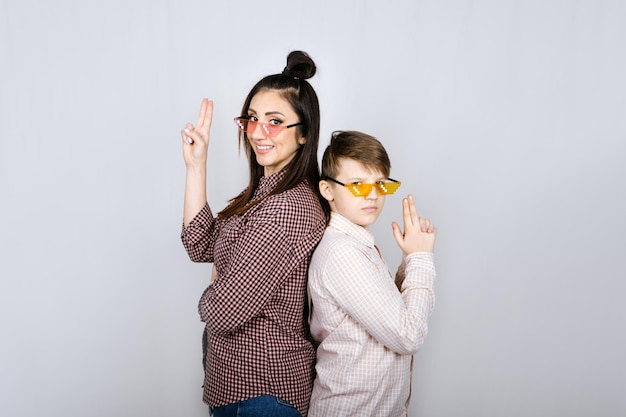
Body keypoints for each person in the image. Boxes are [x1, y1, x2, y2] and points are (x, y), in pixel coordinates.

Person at [180, 51, 328, 417]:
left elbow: (225, 310)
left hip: (262, 394)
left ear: (304, 135)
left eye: (275, 121)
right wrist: (197, 167)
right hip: (237, 389)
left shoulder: (286, 208)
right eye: (252, 119)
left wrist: (219, 280)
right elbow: (200, 244)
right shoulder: (264, 195)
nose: (259, 132)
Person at [307, 131, 437, 417]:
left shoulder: (358, 246)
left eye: (380, 183)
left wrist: (407, 262)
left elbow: (388, 315)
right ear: (328, 190)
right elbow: (407, 334)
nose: (374, 195)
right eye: (357, 185)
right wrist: (420, 258)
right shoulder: (343, 253)